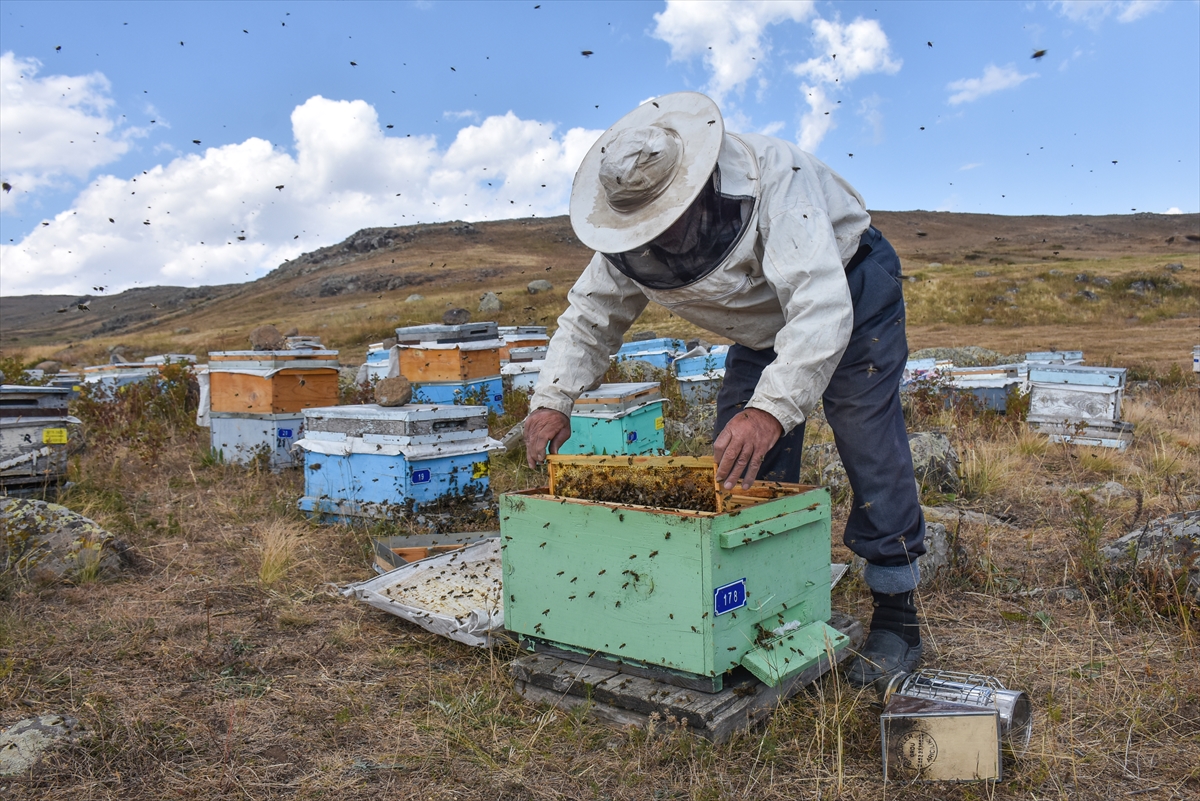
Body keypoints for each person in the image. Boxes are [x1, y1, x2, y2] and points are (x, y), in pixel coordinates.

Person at [523, 92, 924, 688]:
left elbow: (819, 308)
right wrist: (553, 398)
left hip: (847, 290)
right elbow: (590, 316)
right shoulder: (627, 231)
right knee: (737, 464)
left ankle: (897, 610)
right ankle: (758, 605)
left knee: (863, 429)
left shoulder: (774, 179)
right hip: (761, 324)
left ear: (699, 185)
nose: (655, 240)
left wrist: (771, 409)